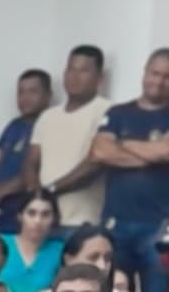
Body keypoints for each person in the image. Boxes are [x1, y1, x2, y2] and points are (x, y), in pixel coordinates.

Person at [91, 49, 169, 292]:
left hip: (160, 226)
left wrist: (123, 143)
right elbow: (100, 152)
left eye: (167, 76)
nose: (159, 81)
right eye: (155, 73)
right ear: (145, 73)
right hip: (115, 223)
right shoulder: (118, 113)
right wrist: (151, 153)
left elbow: (168, 151)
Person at [33, 44, 115, 227]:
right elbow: (31, 163)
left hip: (83, 220)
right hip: (43, 221)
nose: (74, 76)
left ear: (99, 78)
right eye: (70, 69)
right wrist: (37, 198)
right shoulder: (48, 116)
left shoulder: (108, 111)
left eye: (83, 71)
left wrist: (51, 190)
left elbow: (96, 163)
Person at [0, 68, 51, 233]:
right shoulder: (14, 126)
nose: (25, 98)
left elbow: (33, 169)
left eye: (32, 92)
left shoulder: (49, 125)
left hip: (26, 212)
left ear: (48, 96)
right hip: (0, 209)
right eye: (21, 92)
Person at [0, 183, 67, 292]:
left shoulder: (59, 250)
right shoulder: (0, 243)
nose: (37, 221)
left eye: (45, 215)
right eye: (31, 213)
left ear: (54, 218)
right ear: (20, 216)